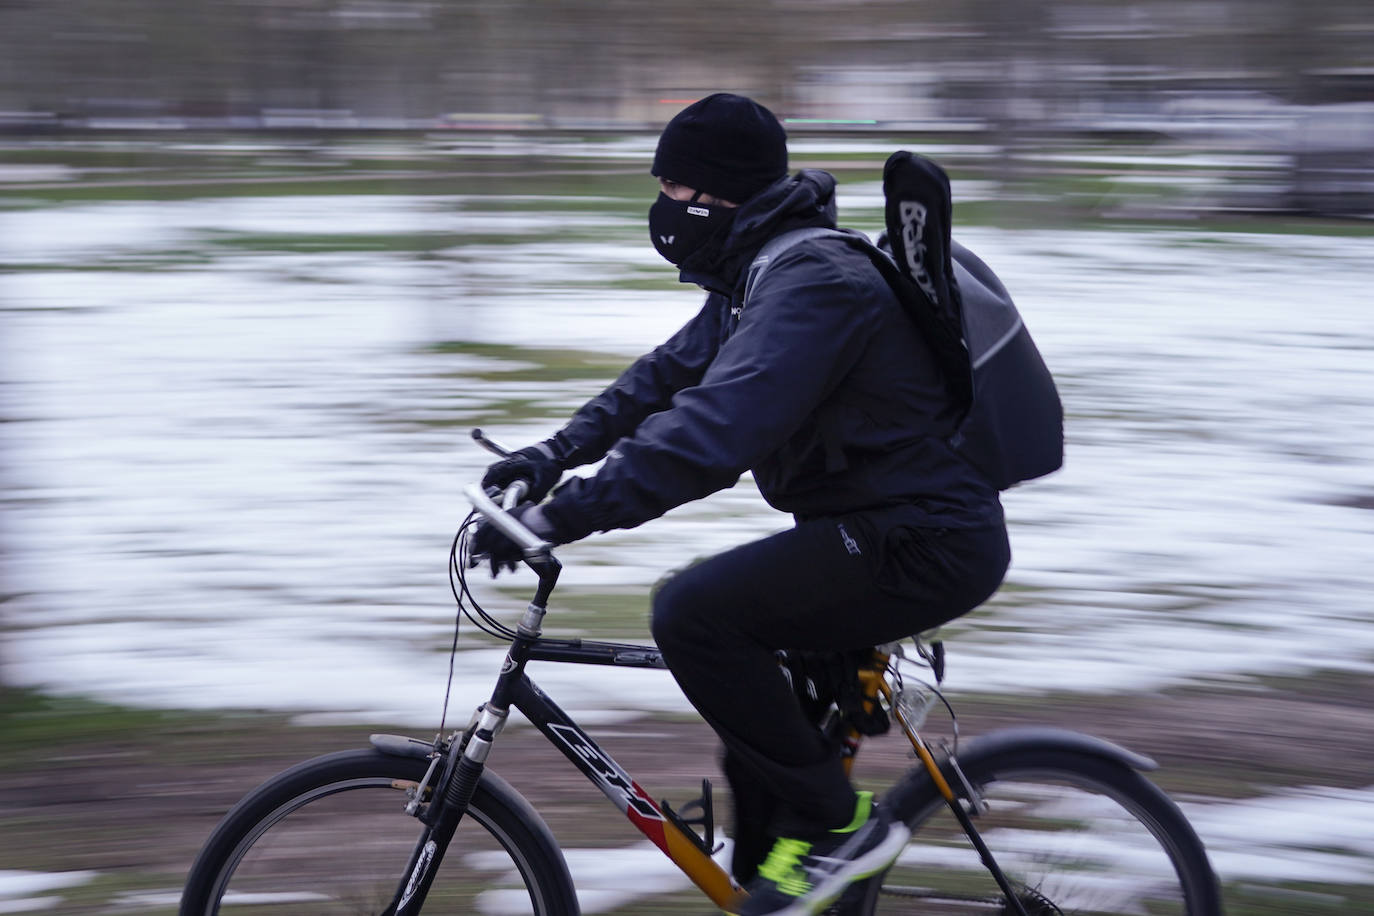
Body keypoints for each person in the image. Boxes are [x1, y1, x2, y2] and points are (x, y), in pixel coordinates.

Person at [471, 93, 1011, 916]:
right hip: (870, 530)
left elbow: (711, 435)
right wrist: (547, 459)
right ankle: (795, 862)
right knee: (757, 764)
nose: (664, 209)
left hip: (924, 541)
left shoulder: (814, 281)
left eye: (674, 190)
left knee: (694, 614)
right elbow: (662, 379)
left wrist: (559, 519)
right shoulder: (757, 270)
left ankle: (842, 830)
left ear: (717, 195)